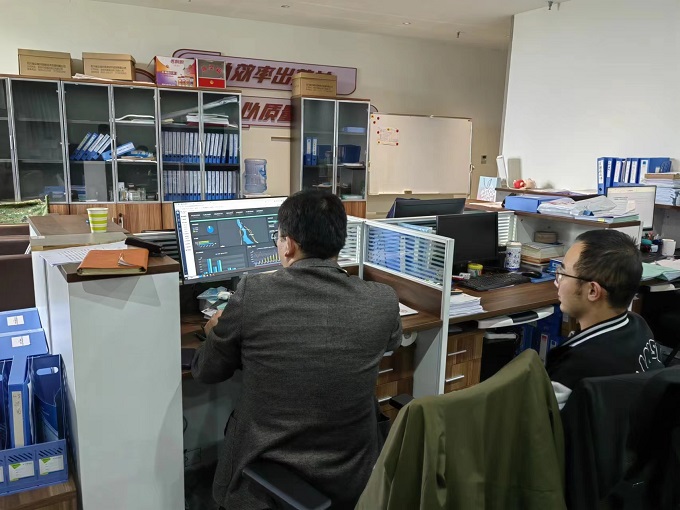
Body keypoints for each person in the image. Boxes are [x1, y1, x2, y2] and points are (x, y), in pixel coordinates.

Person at [192, 190, 403, 510]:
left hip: (261, 481)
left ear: (288, 245)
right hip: (352, 480)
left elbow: (207, 371)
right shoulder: (382, 300)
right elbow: (391, 342)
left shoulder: (254, 293)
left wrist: (214, 333)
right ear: (340, 242)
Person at [546, 230, 663, 408]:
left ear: (593, 291)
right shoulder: (639, 326)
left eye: (563, 274)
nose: (557, 282)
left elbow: (541, 421)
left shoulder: (573, 365)